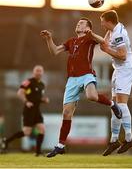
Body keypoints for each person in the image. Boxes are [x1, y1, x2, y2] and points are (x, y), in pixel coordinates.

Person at [40, 17, 122, 158]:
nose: (79, 23)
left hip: (86, 75)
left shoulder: (90, 38)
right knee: (66, 113)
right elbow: (54, 51)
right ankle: (60, 146)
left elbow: (103, 41)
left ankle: (112, 104)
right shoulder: (71, 41)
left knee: (91, 96)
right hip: (72, 79)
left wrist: (92, 34)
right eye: (78, 23)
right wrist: (49, 38)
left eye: (82, 23)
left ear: (87, 28)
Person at [99, 10, 132, 156]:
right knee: (114, 106)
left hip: (125, 69)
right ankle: (114, 140)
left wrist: (107, 49)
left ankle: (129, 138)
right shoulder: (114, 29)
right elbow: (104, 42)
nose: (101, 24)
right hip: (119, 70)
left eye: (102, 21)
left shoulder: (118, 33)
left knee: (121, 105)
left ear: (108, 21)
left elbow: (122, 55)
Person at [0, 65, 49, 156]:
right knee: (27, 132)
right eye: (36, 70)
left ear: (42, 72)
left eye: (40, 71)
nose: (38, 72)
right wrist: (26, 102)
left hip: (36, 110)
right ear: (33, 72)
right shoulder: (28, 82)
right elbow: (20, 92)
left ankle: (38, 152)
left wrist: (43, 100)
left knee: (42, 129)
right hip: (29, 110)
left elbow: (36, 98)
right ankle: (6, 141)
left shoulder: (42, 85)